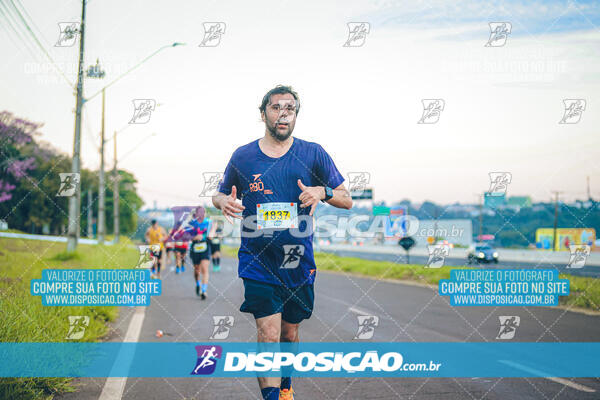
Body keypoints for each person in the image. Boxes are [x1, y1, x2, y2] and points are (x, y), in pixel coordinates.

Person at [212, 85, 352, 400]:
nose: (283, 114)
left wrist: (323, 192)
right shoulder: (243, 156)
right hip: (257, 260)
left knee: (289, 333)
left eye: (290, 108)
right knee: (268, 333)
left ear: (296, 115)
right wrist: (222, 201)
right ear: (263, 114)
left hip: (298, 262)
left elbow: (347, 199)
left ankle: (286, 387)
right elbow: (219, 192)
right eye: (276, 108)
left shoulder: (313, 153)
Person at [186, 207, 216, 299]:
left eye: (204, 212)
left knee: (204, 269)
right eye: (200, 213)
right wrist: (194, 237)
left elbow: (213, 231)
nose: (202, 214)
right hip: (195, 248)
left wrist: (211, 234)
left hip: (205, 247)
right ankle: (198, 284)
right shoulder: (191, 223)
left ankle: (203, 291)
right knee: (197, 270)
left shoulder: (209, 222)